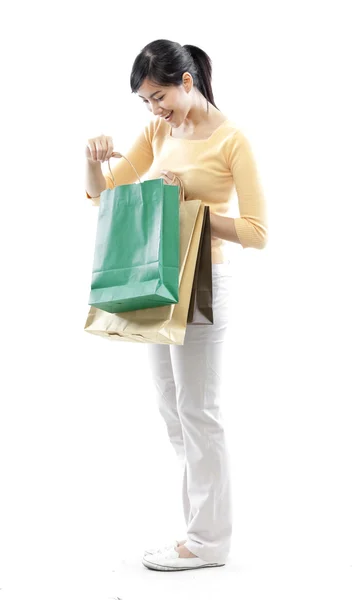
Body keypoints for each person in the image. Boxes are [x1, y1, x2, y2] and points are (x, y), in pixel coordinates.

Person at [85, 39, 268, 572]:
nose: (154, 109)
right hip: (161, 278)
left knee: (199, 412)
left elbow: (257, 233)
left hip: (206, 282)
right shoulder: (158, 131)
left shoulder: (233, 140)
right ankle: (200, 528)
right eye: (145, 101)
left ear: (187, 82)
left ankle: (209, 542)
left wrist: (185, 208)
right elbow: (104, 198)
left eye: (159, 96)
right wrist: (91, 160)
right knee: (173, 410)